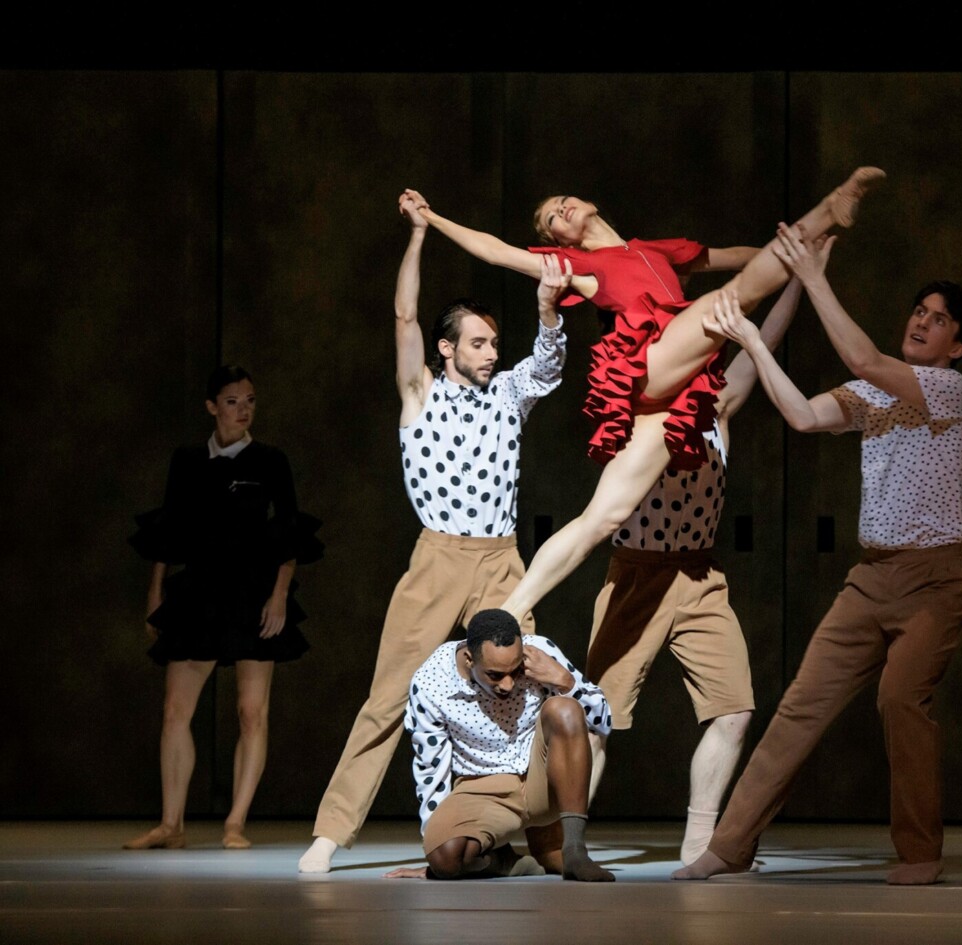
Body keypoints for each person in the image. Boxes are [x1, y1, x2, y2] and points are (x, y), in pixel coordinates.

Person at [402, 165, 884, 626]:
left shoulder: (656, 250)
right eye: (553, 218)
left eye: (565, 202)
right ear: (558, 242)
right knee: (727, 303)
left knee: (601, 517)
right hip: (646, 369)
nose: (563, 210)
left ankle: (506, 613)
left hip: (675, 396)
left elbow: (735, 257)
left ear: (590, 203)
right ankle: (830, 206)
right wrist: (433, 218)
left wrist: (793, 254)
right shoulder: (580, 264)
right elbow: (496, 251)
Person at [673, 226, 962, 886]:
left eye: (937, 321)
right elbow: (806, 416)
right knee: (799, 707)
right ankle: (729, 846)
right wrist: (755, 342)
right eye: (918, 312)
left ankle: (920, 852)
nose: (922, 323)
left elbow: (869, 360)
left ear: (956, 346)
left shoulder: (949, 392)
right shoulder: (875, 396)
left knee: (900, 697)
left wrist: (814, 278)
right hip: (871, 579)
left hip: (935, 579)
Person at [297, 193, 570, 873]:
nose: (489, 352)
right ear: (448, 349)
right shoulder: (419, 393)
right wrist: (419, 236)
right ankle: (331, 832)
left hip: (502, 563)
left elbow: (549, 362)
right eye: (477, 342)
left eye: (493, 343)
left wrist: (545, 310)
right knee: (390, 692)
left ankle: (540, 837)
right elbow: (404, 315)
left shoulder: (509, 392)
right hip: (437, 557)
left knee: (530, 688)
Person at [587, 277, 805, 865]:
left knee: (734, 711)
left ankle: (700, 843)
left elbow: (759, 343)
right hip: (637, 574)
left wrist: (801, 281)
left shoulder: (715, 406)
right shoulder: (638, 408)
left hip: (700, 576)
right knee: (595, 716)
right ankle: (564, 843)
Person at [125, 365, 323, 851]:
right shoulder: (187, 460)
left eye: (250, 400)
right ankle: (171, 823)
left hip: (254, 594)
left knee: (251, 710)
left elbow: (291, 531)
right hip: (198, 593)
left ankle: (235, 821)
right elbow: (167, 531)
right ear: (213, 406)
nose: (244, 409)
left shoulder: (270, 460)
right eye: (233, 401)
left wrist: (279, 594)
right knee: (176, 709)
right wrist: (156, 592)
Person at [384, 609, 615, 882]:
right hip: (483, 788)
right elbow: (430, 769)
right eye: (495, 675)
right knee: (445, 859)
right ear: (469, 659)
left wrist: (564, 680)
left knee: (564, 709)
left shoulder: (539, 651)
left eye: (515, 671)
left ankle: (576, 852)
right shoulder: (431, 682)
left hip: (543, 779)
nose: (508, 683)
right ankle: (505, 860)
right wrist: (436, 841)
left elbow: (604, 722)